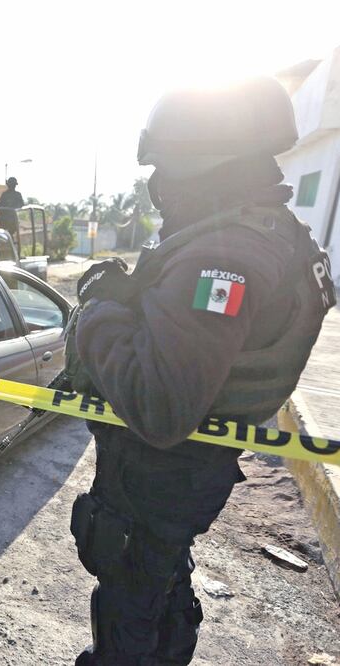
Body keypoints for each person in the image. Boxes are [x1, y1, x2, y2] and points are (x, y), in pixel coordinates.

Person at [67, 77, 335, 665]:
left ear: (199, 162)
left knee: (129, 602)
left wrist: (99, 313)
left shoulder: (223, 256)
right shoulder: (271, 234)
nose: (156, 183)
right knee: (161, 580)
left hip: (160, 470)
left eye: (162, 165)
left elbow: (160, 404)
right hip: (186, 472)